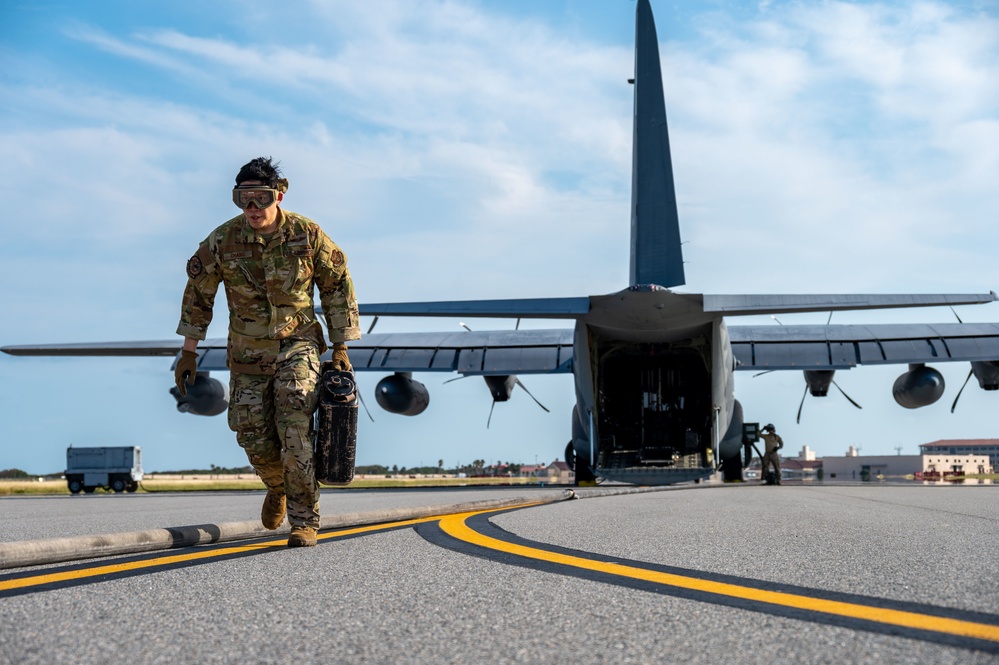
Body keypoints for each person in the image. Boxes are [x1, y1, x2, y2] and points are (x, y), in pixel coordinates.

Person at [174, 157, 360, 547]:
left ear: (279, 194)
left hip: (299, 345)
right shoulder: (222, 241)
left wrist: (340, 345)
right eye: (244, 199)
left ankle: (304, 521)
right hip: (247, 353)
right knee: (251, 434)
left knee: (294, 427)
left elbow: (337, 284)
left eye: (261, 197)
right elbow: (198, 295)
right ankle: (278, 486)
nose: (253, 208)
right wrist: (188, 352)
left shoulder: (306, 234)